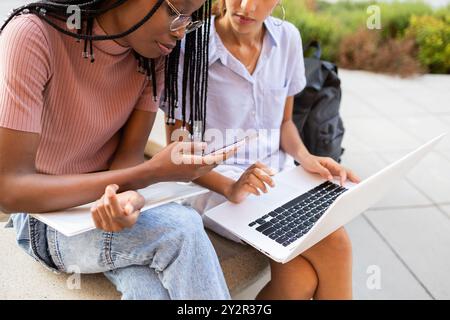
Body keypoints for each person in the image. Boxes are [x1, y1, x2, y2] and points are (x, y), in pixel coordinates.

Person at [0, 0, 233, 300]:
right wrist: (149, 173)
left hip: (103, 215)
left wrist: (127, 201)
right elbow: (9, 190)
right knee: (182, 229)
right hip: (44, 220)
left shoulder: (152, 58)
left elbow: (126, 163)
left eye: (190, 19)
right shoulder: (34, 35)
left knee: (148, 290)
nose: (180, 32)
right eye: (175, 13)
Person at [165, 0, 361, 299]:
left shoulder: (287, 38)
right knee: (336, 242)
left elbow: (284, 124)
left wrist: (308, 158)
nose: (245, 6)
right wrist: (231, 187)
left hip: (278, 176)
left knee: (299, 281)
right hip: (217, 184)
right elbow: (177, 154)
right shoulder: (190, 47)